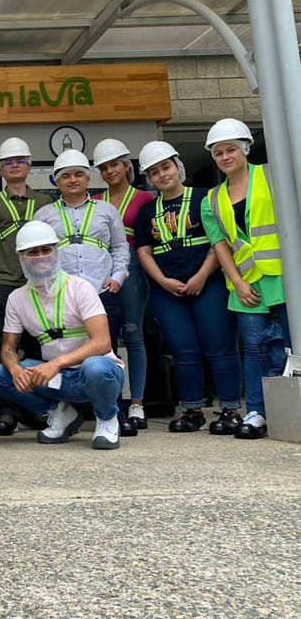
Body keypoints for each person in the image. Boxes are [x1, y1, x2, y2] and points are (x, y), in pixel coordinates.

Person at [0, 221, 125, 451]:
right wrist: (15, 369)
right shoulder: (17, 298)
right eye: (33, 252)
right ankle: (60, 413)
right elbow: (8, 347)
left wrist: (56, 363)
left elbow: (103, 343)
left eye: (46, 250)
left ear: (56, 252)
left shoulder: (80, 288)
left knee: (95, 366)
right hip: (58, 380)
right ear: (22, 258)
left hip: (94, 375)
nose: (41, 256)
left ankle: (106, 418)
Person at [136, 141, 242, 434]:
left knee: (220, 347)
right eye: (155, 172)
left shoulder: (206, 198)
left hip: (209, 284)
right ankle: (192, 410)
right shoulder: (147, 211)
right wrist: (162, 281)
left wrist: (201, 276)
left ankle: (231, 409)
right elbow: (144, 251)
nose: (162, 175)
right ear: (149, 178)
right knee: (183, 350)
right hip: (167, 292)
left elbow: (219, 242)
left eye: (166, 167)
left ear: (178, 166)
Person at [201, 118, 291, 440]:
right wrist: (237, 282)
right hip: (246, 285)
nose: (225, 157)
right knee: (253, 351)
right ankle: (256, 412)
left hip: (285, 279)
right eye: (218, 153)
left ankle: (290, 409)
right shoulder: (211, 200)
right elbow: (220, 246)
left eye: (231, 150)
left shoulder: (273, 174)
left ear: (245, 149)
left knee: (292, 347)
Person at [34, 150, 135, 436]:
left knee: (107, 353)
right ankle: (68, 411)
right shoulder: (44, 215)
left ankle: (114, 411)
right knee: (64, 351)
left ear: (88, 178)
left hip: (102, 291)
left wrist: (118, 277)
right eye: (66, 176)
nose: (73, 180)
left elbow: (120, 247)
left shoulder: (106, 210)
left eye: (78, 174)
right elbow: (38, 255)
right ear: (56, 182)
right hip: (62, 298)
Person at [0, 137, 52, 435]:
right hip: (3, 283)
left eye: (20, 161)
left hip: (40, 285)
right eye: (9, 162)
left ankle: (37, 408)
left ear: (30, 166)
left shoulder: (44, 202)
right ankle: (6, 410)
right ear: (0, 170)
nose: (15, 166)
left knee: (38, 348)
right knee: (5, 348)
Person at [92, 140, 155, 429]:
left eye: (114, 165)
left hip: (133, 264)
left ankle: (137, 403)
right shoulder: (95, 200)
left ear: (127, 165)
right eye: (104, 168)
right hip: (102, 266)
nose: (110, 171)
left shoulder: (145, 199)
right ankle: (112, 403)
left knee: (133, 334)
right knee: (105, 336)